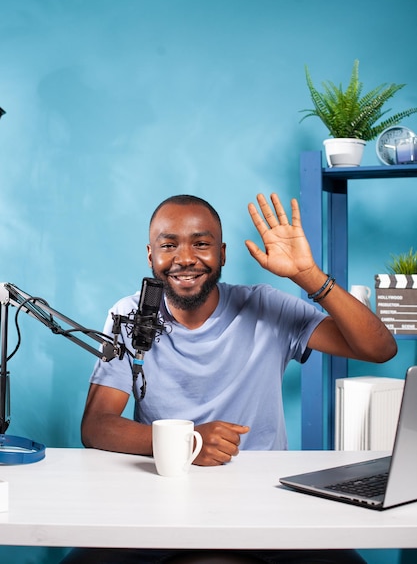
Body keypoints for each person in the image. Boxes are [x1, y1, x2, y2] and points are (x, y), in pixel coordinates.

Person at [61, 193, 397, 564]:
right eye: (168, 245)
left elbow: (379, 349)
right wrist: (187, 443)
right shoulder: (130, 315)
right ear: (150, 255)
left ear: (222, 253)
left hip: (268, 509)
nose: (185, 258)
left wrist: (308, 275)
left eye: (201, 244)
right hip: (159, 504)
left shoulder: (267, 305)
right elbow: (96, 427)